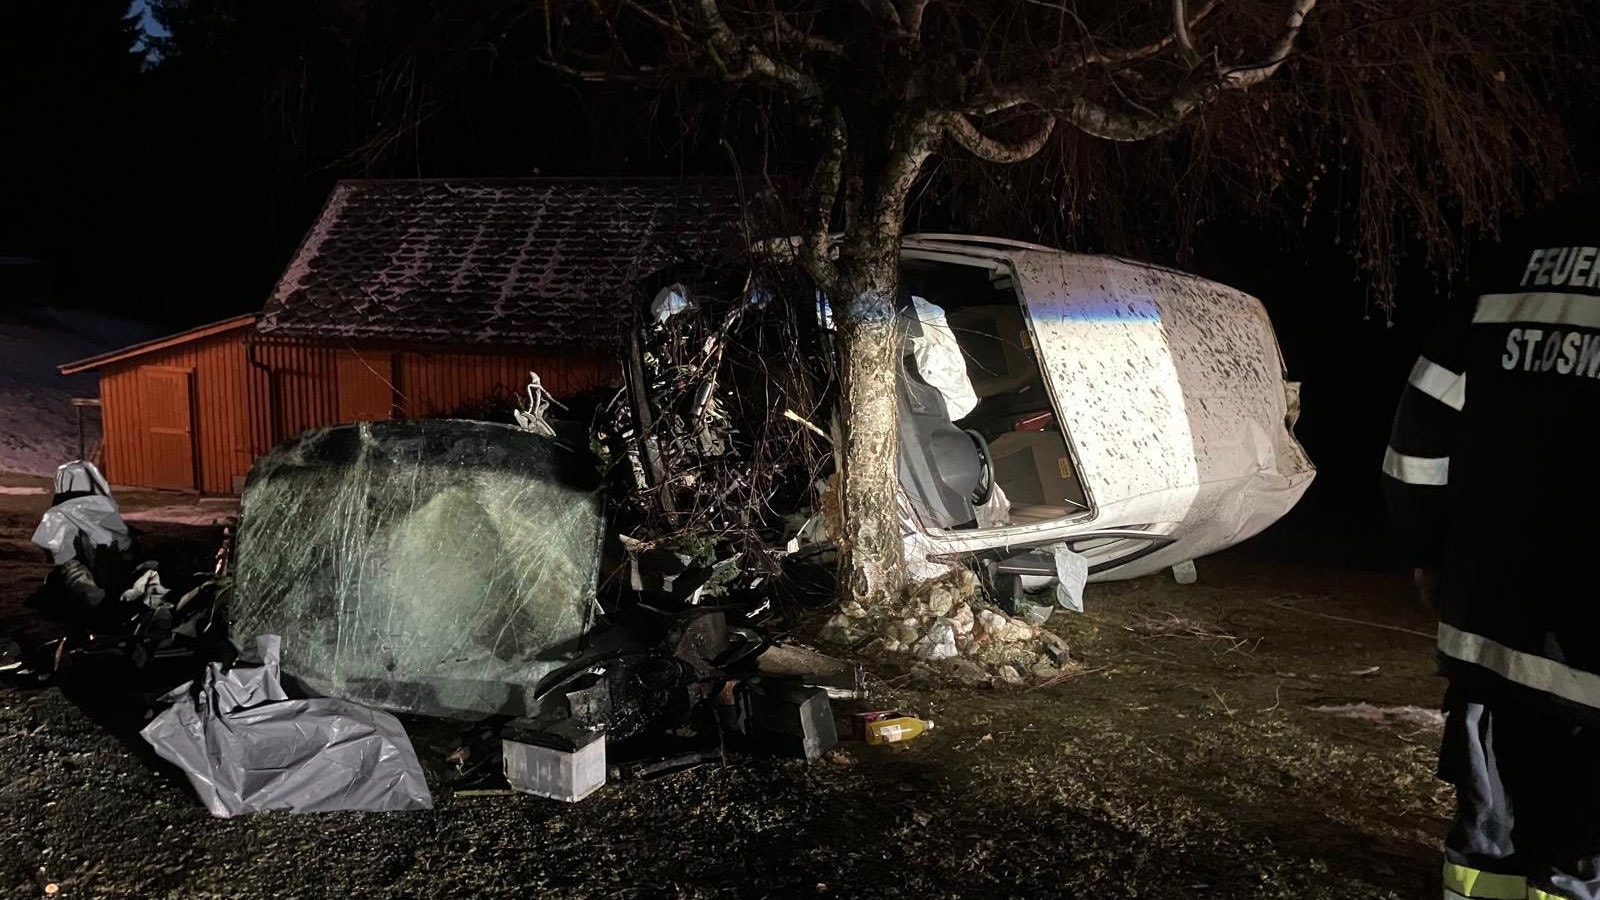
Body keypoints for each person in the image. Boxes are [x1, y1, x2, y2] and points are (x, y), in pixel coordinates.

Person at [1385, 185, 1600, 900]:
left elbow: (1420, 431)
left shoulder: (1521, 255)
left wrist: (1427, 550)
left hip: (1489, 627)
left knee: (1488, 848)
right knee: (1580, 858)